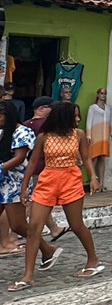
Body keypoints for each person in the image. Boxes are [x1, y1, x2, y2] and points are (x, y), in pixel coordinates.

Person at [9, 102, 101, 290]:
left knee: (76, 225)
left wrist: (93, 176)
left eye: (78, 116)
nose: (78, 119)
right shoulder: (44, 136)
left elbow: (86, 157)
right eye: (74, 116)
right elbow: (33, 161)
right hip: (48, 180)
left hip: (71, 179)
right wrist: (25, 187)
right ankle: (28, 276)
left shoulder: (79, 135)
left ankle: (93, 260)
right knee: (34, 227)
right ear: (63, 116)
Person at [0, 101, 59, 265]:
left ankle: (46, 249)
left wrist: (1, 168)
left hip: (15, 183)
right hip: (2, 180)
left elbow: (19, 158)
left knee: (18, 225)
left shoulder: (23, 132)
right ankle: (47, 250)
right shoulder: (2, 132)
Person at [23, 96, 65, 240]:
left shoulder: (26, 124)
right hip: (44, 167)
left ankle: (54, 228)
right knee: (37, 201)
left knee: (38, 200)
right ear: (41, 109)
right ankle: (16, 230)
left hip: (30, 166)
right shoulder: (47, 126)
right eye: (50, 107)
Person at [85, 88, 112, 190]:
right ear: (97, 94)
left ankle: (101, 183)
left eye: (105, 93)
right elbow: (89, 121)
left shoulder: (108, 108)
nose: (103, 95)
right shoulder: (93, 108)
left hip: (104, 136)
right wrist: (88, 135)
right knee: (94, 158)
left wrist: (111, 133)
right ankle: (93, 182)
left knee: (102, 158)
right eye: (101, 93)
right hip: (95, 135)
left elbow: (110, 122)